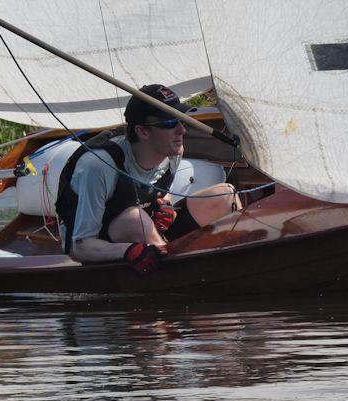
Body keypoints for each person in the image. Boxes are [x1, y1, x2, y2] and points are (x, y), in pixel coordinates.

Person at [55, 84, 240, 274]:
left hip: (149, 233)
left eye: (182, 119)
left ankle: (239, 261)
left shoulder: (173, 152)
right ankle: (178, 272)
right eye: (169, 123)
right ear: (142, 131)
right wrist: (127, 251)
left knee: (226, 195)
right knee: (135, 220)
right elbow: (80, 247)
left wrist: (166, 205)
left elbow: (162, 194)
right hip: (103, 245)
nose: (182, 130)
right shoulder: (99, 166)